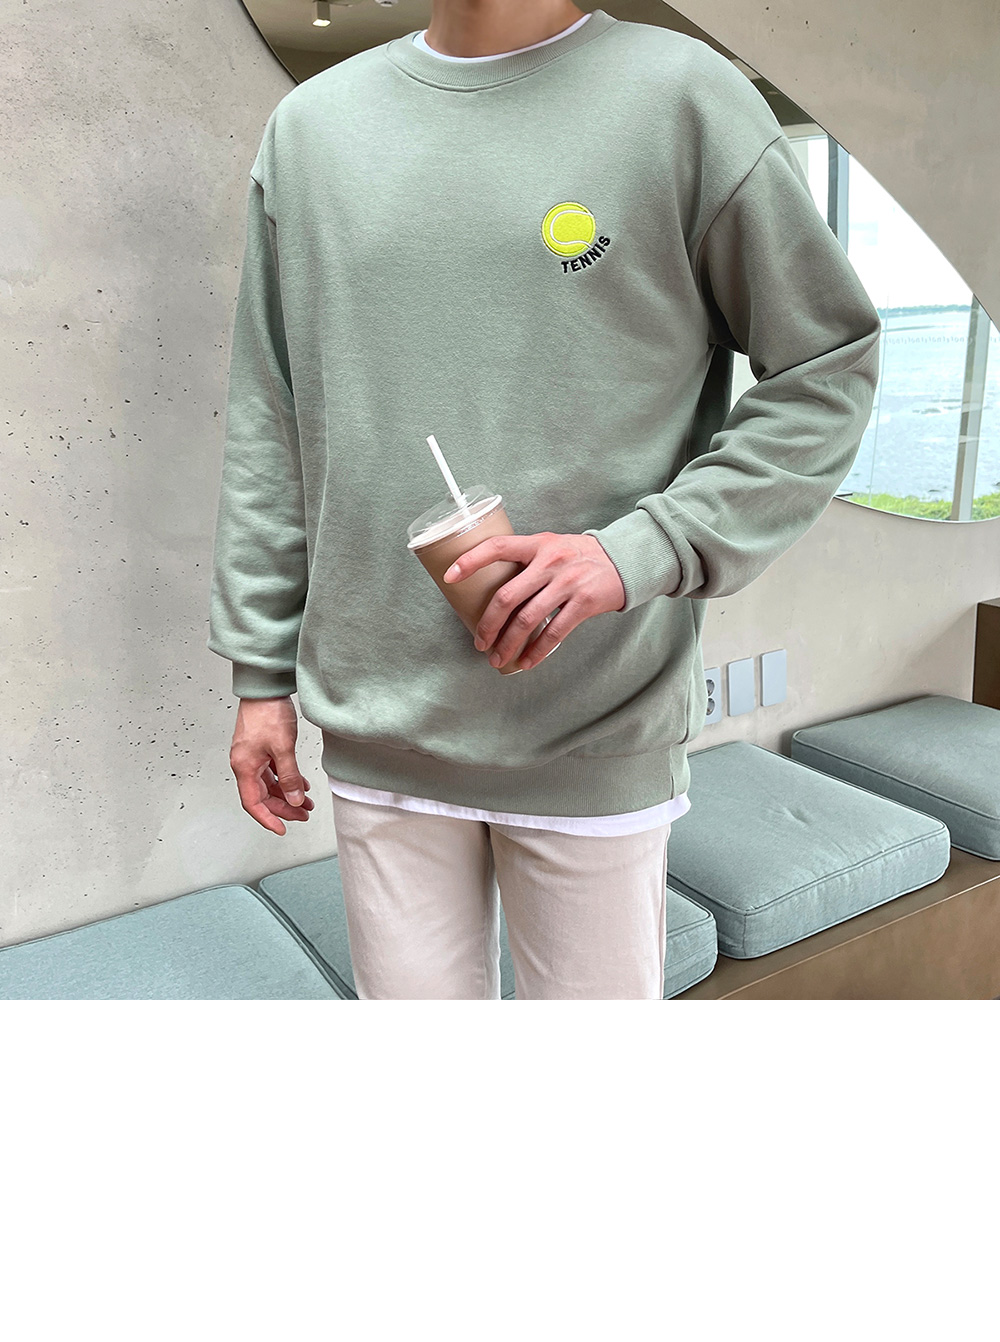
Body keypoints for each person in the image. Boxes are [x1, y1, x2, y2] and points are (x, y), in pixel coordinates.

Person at [207, 1, 881, 999]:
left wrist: (639, 549)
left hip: (593, 716)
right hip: (378, 718)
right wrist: (261, 674)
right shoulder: (312, 129)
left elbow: (827, 365)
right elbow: (272, 420)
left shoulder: (682, 97)